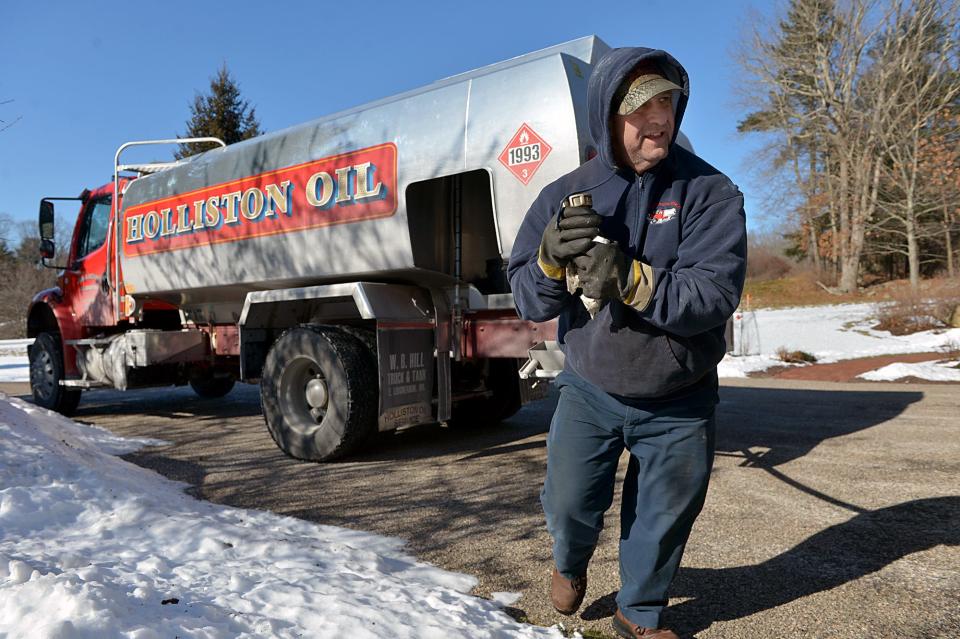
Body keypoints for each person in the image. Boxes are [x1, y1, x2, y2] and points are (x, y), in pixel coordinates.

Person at [507, 46, 747, 639]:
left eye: (666, 101)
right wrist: (546, 263)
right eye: (642, 106)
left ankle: (637, 613)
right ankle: (570, 562)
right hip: (591, 387)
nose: (658, 116)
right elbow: (528, 298)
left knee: (662, 518)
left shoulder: (710, 193)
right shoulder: (564, 194)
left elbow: (714, 293)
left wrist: (633, 281)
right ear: (608, 115)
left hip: (680, 394)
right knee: (568, 504)